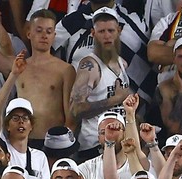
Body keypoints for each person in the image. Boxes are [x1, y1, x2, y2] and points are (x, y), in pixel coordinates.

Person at [68, 7, 132, 159]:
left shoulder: (123, 64)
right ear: (93, 34)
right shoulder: (89, 66)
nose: (107, 36)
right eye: (101, 31)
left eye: (111, 30)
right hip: (95, 147)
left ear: (119, 31)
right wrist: (114, 100)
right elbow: (75, 110)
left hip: (120, 144)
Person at [16, 10, 77, 145]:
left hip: (54, 142)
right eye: (39, 30)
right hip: (22, 141)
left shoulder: (66, 69)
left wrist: (63, 145)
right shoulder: (18, 67)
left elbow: (71, 117)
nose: (44, 35)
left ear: (54, 36)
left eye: (49, 32)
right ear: (29, 33)